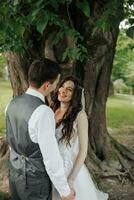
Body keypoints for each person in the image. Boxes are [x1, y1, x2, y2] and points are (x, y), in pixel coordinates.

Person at [5, 59, 75, 200]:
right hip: (34, 182)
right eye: (56, 84)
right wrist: (65, 192)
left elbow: (13, 141)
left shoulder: (11, 104)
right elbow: (51, 158)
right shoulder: (43, 112)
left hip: (14, 174)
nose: (56, 88)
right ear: (47, 85)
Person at [51, 76, 108, 200]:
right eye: (62, 86)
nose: (63, 90)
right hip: (52, 164)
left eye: (69, 89)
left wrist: (71, 179)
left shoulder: (80, 116)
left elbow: (83, 150)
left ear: (75, 95)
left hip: (70, 167)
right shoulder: (52, 110)